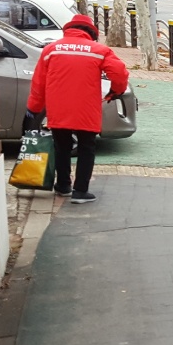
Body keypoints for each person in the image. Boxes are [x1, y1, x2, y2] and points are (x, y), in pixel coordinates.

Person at [25, 13, 127, 204]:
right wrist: (115, 91)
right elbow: (119, 72)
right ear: (90, 32)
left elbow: (39, 83)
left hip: (58, 107)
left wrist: (34, 108)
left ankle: (63, 186)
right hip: (86, 108)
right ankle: (81, 191)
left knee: (61, 146)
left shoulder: (51, 50)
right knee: (86, 147)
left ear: (69, 29)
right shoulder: (100, 50)